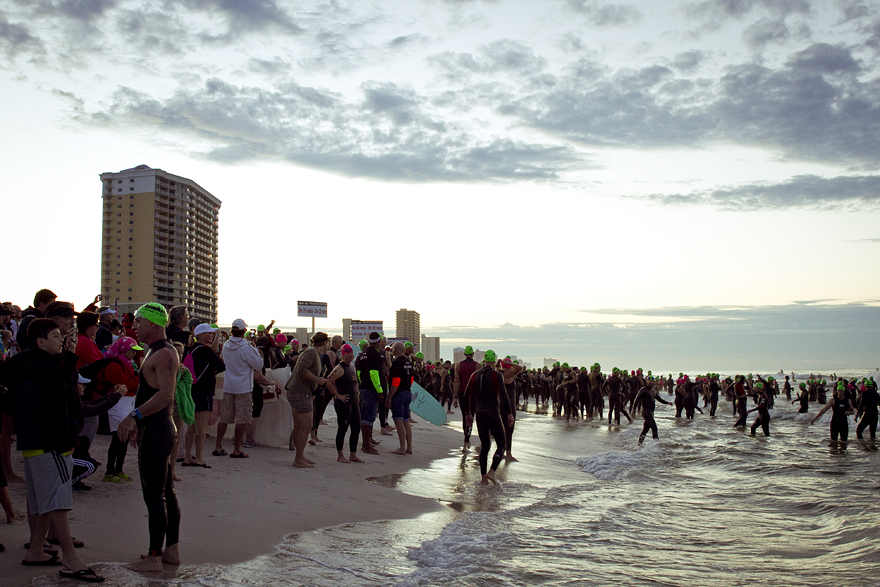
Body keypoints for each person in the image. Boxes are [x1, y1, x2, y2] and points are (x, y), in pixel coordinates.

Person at [0, 317, 103, 580]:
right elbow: (56, 403)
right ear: (41, 341)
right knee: (57, 501)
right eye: (56, 336)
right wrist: (65, 443)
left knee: (40, 501)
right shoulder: (43, 368)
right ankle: (71, 558)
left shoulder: (26, 364)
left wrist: (67, 355)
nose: (62, 340)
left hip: (34, 443)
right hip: (50, 444)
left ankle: (36, 549)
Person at [115, 303, 181, 571]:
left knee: (154, 495)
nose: (134, 328)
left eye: (139, 322)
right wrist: (137, 424)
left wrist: (134, 417)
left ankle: (154, 557)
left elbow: (166, 394)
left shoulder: (164, 353)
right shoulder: (156, 350)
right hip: (155, 428)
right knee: (165, 491)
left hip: (157, 429)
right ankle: (171, 552)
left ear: (153, 324)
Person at [214, 319, 272, 459]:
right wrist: (255, 350)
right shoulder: (246, 348)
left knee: (224, 418)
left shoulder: (227, 345)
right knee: (242, 418)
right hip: (243, 388)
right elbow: (258, 364)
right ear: (244, 331)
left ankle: (218, 446)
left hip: (229, 386)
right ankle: (236, 449)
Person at [462, 350, 513, 485]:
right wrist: (509, 413)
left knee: (485, 446)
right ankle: (492, 472)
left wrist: (467, 413)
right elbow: (503, 395)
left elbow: (466, 394)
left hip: (480, 413)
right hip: (493, 412)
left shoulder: (475, 375)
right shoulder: (497, 375)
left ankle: (484, 478)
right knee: (502, 444)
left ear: (484, 360)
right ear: (494, 361)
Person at [285, 332, 330, 468]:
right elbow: (301, 371)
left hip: (297, 391)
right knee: (306, 425)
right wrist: (318, 380)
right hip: (300, 392)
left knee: (299, 425)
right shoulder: (311, 353)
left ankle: (300, 455)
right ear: (325, 342)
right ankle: (298, 459)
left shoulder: (311, 352)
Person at [183, 324, 225, 467]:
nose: (211, 335)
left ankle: (188, 455)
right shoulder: (206, 351)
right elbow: (221, 365)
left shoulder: (191, 349)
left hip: (192, 390)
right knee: (201, 427)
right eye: (209, 333)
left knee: (191, 426)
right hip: (204, 390)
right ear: (200, 335)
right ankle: (199, 457)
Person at [324, 343, 363, 463]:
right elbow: (328, 381)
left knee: (356, 427)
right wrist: (337, 395)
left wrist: (357, 392)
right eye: (347, 353)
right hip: (343, 402)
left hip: (354, 400)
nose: (350, 355)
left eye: (351, 352)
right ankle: (340, 455)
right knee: (343, 427)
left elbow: (355, 382)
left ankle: (353, 454)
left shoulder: (352, 367)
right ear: (342, 355)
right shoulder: (339, 368)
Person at [356, 332, 385, 454]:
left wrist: (360, 384)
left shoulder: (361, 355)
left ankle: (366, 442)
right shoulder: (375, 354)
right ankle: (366, 445)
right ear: (378, 342)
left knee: (364, 416)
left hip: (362, 388)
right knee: (369, 417)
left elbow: (357, 373)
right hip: (371, 389)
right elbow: (374, 373)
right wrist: (380, 391)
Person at [385, 341, 414, 455]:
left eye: (392, 348)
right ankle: (409, 447)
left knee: (398, 420)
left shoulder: (397, 363)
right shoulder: (409, 362)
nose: (391, 350)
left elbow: (396, 381)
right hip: (407, 392)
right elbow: (412, 379)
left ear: (396, 349)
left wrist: (390, 397)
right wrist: (407, 387)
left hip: (399, 393)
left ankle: (402, 448)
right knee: (406, 420)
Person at [453, 346, 479, 451]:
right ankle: (467, 440)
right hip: (473, 395)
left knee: (465, 417)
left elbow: (456, 382)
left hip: (462, 394)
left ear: (464, 354)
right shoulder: (478, 366)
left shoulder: (458, 366)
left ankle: (465, 440)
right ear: (472, 354)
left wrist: (455, 397)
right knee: (471, 417)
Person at [632, 379, 671, 445]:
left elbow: (659, 399)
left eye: (651, 381)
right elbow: (637, 399)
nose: (650, 382)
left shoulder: (653, 390)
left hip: (651, 412)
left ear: (654, 382)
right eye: (649, 380)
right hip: (645, 411)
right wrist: (634, 410)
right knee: (654, 427)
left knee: (645, 430)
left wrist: (667, 402)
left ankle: (639, 445)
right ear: (647, 382)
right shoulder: (643, 389)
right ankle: (656, 444)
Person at [500, 357, 523, 460]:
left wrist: (500, 362)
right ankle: (507, 454)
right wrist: (511, 363)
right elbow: (520, 368)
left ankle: (504, 452)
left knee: (505, 429)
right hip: (508, 406)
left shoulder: (499, 373)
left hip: (502, 404)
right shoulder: (507, 375)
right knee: (509, 429)